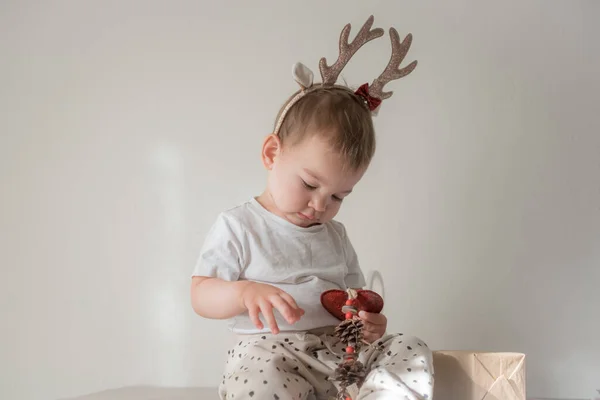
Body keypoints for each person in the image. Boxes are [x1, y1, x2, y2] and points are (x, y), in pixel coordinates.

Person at [190, 15, 434, 400]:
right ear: (273, 153)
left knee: (410, 348)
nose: (321, 204)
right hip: (270, 354)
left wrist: (370, 324)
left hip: (337, 356)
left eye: (339, 196)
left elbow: (353, 301)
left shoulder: (335, 236)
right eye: (309, 184)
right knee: (261, 377)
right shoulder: (239, 226)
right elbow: (200, 294)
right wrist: (243, 293)